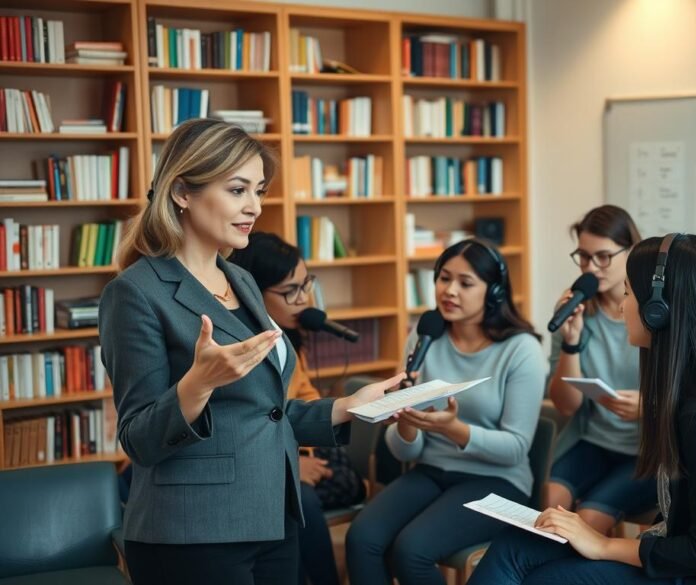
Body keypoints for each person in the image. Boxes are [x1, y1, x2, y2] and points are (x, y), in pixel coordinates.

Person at [99, 118, 403, 585]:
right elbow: (138, 439)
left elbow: (266, 412)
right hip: (193, 532)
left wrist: (347, 408)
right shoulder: (134, 293)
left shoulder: (239, 280)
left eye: (259, 191)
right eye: (238, 190)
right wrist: (197, 385)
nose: (255, 207)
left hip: (272, 516)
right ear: (182, 192)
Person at [469, 233, 696, 585]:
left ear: (659, 310)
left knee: (545, 577)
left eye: (627, 293)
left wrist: (604, 545)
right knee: (514, 547)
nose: (621, 307)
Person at [345, 239, 546, 585]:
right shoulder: (423, 339)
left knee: (412, 551)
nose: (449, 291)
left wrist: (454, 429)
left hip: (498, 481)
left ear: (494, 292)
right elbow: (404, 450)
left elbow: (515, 448)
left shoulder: (520, 350)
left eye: (465, 283)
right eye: (443, 278)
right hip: (432, 470)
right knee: (361, 538)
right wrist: (407, 424)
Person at [229, 231, 367, 585]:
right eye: (290, 290)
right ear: (250, 289)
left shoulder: (288, 337)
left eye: (307, 284)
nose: (304, 298)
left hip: (292, 449)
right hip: (251, 463)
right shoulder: (238, 347)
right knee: (298, 501)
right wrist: (288, 462)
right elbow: (246, 421)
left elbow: (300, 403)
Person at [545, 205, 655, 534]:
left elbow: (695, 393)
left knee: (589, 519)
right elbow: (566, 405)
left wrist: (648, 406)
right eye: (583, 257)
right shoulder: (573, 310)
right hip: (592, 441)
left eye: (603, 257)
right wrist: (571, 341)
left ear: (632, 250)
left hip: (647, 452)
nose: (591, 268)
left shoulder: (655, 312)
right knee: (551, 506)